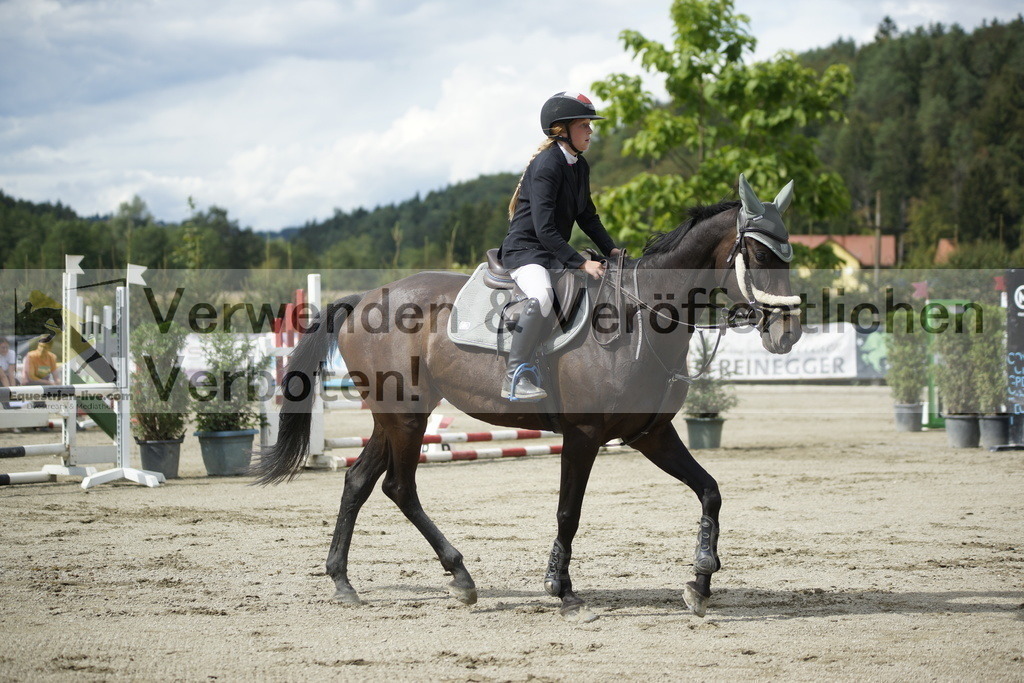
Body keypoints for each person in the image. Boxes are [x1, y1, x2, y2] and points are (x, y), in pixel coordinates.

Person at [497, 91, 621, 401]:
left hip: (549, 251)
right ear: (560, 130)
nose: (590, 132)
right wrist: (580, 263)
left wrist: (612, 250)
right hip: (526, 251)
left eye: (589, 126)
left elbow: (587, 216)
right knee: (541, 296)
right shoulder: (548, 165)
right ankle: (515, 374)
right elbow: (545, 229)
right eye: (584, 126)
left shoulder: (579, 165)